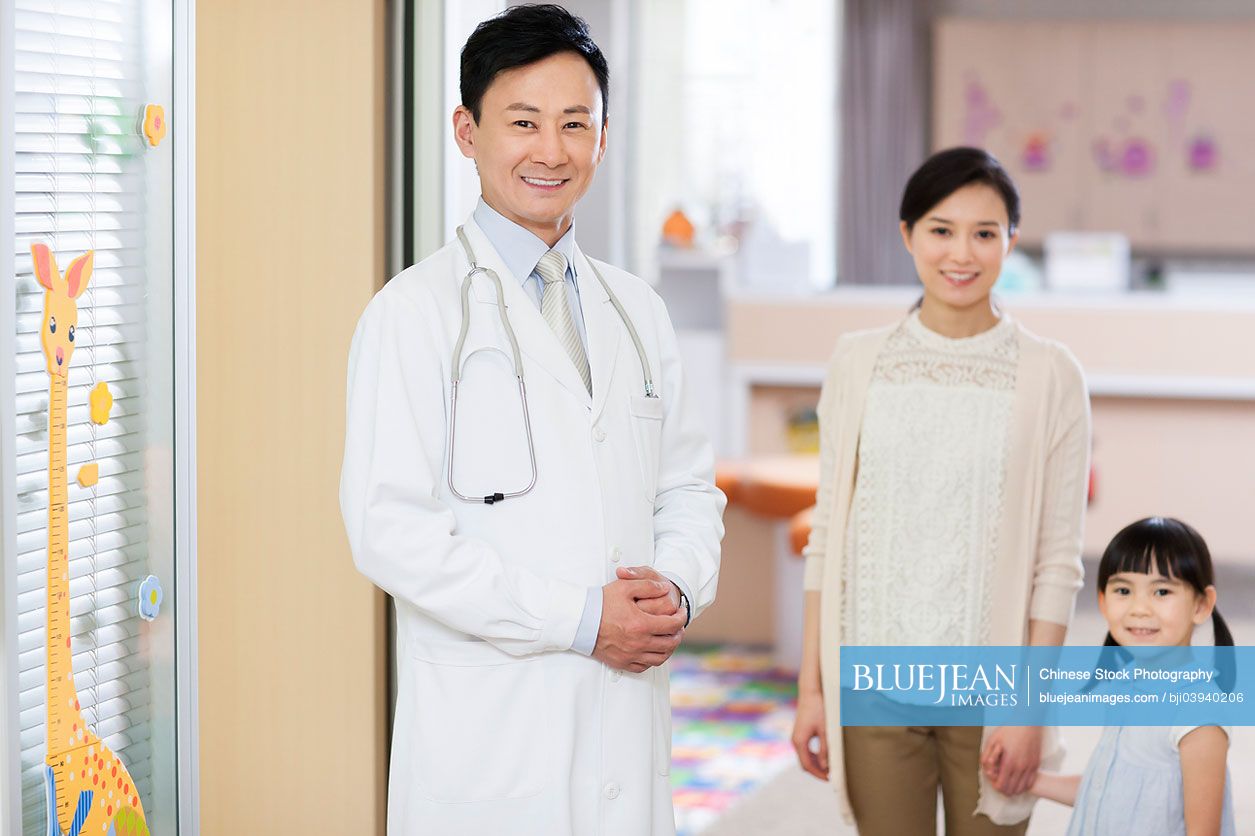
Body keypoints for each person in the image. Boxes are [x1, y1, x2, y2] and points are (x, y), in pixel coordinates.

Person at [338, 6, 725, 835]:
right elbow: (388, 529)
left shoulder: (637, 310)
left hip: (624, 727)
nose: (550, 151)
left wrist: (677, 591)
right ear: (466, 131)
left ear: (602, 138)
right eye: (522, 122)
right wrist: (581, 620)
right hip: (489, 743)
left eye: (574, 124)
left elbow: (689, 487)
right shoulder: (411, 315)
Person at [791, 147, 1091, 834]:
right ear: (906, 234)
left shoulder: (1050, 376)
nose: (962, 252)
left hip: (992, 693)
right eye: (940, 229)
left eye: (984, 233)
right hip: (873, 681)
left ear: (1010, 241)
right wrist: (811, 690)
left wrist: (1028, 710)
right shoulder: (857, 361)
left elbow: (1056, 563)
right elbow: (827, 540)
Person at [1021, 517, 1236, 835]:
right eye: (1123, 590)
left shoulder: (1197, 711)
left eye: (1161, 592)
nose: (1139, 608)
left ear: (1202, 606)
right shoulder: (1125, 684)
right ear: (1103, 602)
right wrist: (1032, 781)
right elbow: (1111, 792)